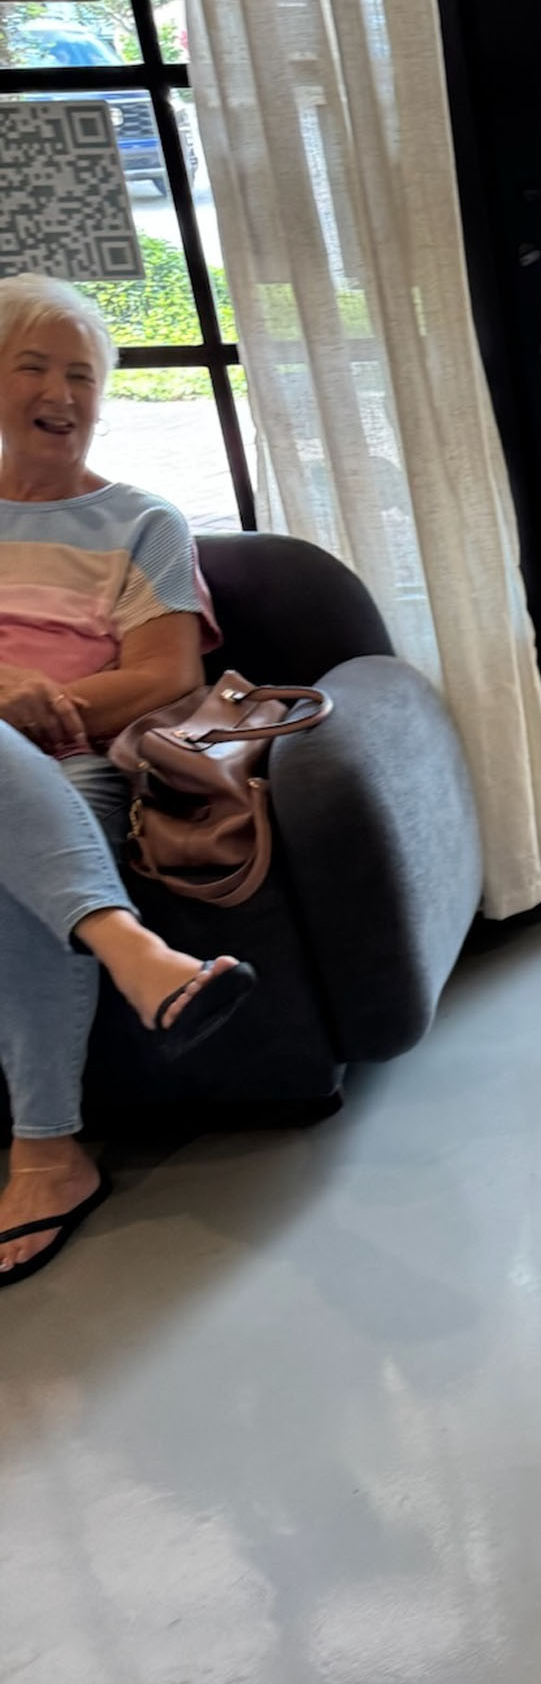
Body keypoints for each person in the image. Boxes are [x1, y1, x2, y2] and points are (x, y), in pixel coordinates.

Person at [0, 274, 257, 1287]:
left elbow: (165, 678)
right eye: (34, 367)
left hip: (73, 773)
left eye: (83, 374)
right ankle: (135, 952)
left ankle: (48, 1154)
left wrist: (36, 715)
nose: (62, 392)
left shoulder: (141, 519)